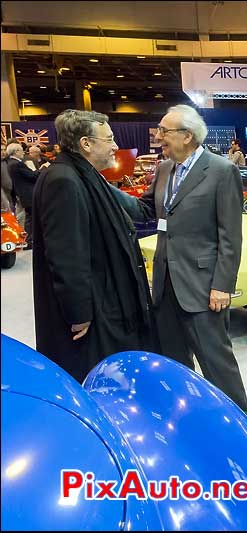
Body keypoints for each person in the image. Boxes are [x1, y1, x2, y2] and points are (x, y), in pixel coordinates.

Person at [111, 105, 247, 425]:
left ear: (188, 136)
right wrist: (102, 187)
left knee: (217, 362)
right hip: (166, 284)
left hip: (205, 287)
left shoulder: (221, 171)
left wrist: (222, 285)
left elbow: (230, 236)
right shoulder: (165, 169)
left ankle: (243, 424)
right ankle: (187, 417)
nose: (158, 137)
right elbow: (145, 210)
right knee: (174, 361)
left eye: (165, 131)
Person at [30, 109, 158, 382]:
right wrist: (79, 313)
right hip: (91, 315)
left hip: (102, 299)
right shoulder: (65, 180)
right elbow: (66, 254)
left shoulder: (80, 174)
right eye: (109, 139)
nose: (115, 147)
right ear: (86, 144)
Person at [7, 142, 47, 246]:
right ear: (16, 152)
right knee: (31, 218)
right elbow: (32, 175)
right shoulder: (17, 164)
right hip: (28, 194)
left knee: (29, 217)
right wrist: (43, 168)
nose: (23, 153)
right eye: (21, 150)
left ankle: (30, 240)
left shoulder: (10, 163)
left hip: (23, 193)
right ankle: (30, 240)